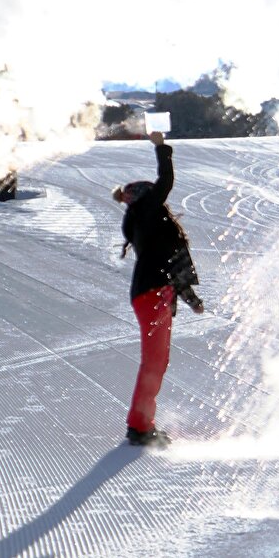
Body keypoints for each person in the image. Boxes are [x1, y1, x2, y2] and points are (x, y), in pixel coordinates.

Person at [112, 131, 204, 447]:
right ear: (144, 197)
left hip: (154, 293)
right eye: (153, 195)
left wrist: (189, 298)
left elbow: (169, 262)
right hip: (152, 294)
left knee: (158, 361)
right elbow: (165, 182)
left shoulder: (148, 223)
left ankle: (142, 423)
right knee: (154, 361)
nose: (160, 199)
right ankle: (139, 427)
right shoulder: (144, 213)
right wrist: (161, 148)